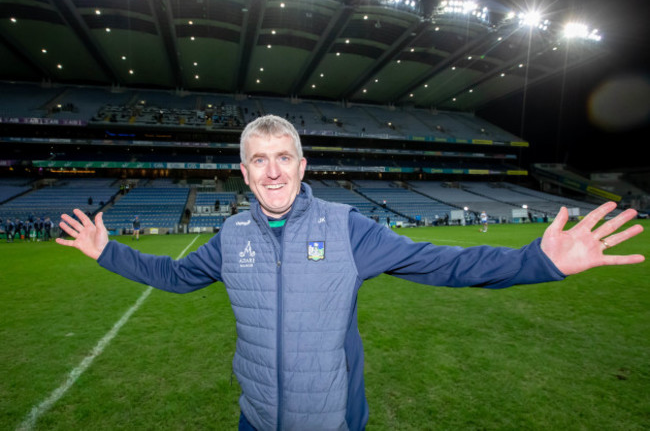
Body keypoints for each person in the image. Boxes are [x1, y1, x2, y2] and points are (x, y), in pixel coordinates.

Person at [56, 115, 644, 431]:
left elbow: (445, 262)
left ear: (301, 164)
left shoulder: (347, 227)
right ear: (244, 172)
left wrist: (539, 261)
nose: (273, 170)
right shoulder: (231, 236)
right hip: (256, 419)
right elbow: (178, 277)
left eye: (283, 156)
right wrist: (109, 252)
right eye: (259, 159)